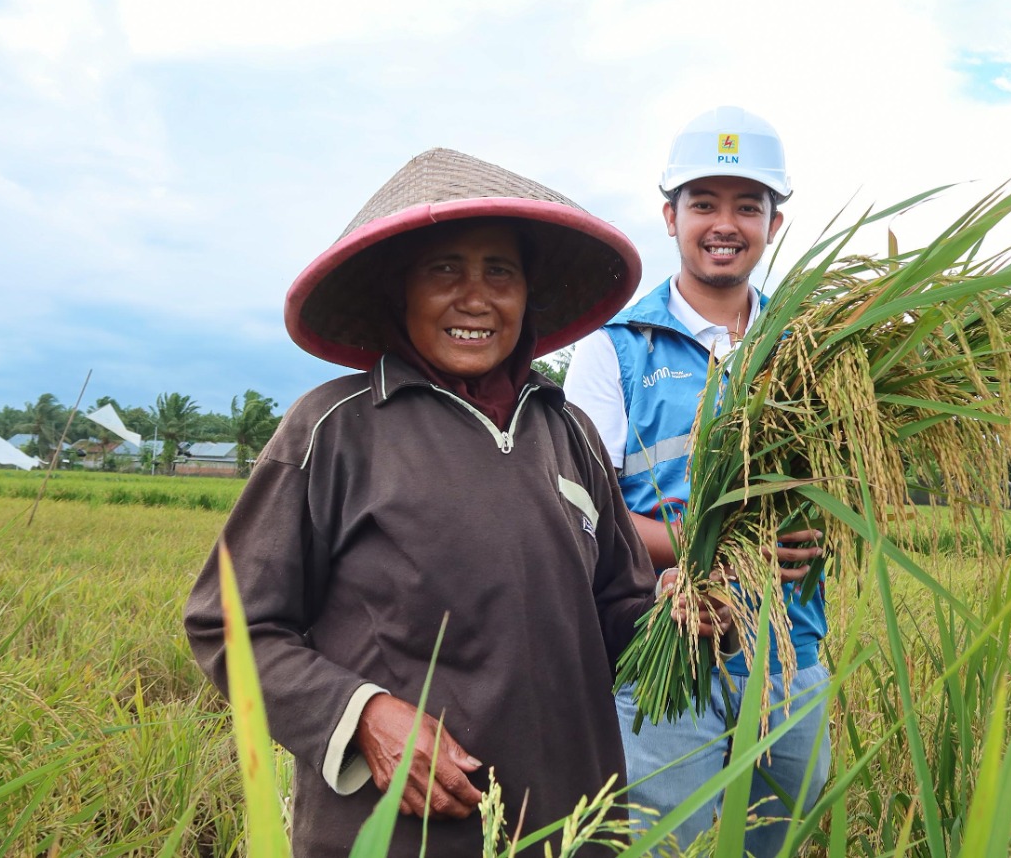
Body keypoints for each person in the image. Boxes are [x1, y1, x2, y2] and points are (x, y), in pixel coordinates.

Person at [185, 148, 716, 857]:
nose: (475, 297)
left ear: (528, 293)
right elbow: (230, 623)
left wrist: (673, 615)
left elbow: (616, 610)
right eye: (444, 270)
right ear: (398, 290)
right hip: (401, 834)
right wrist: (363, 714)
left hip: (574, 825)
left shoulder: (567, 431)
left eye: (500, 271)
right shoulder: (333, 429)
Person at [565, 107, 831, 857]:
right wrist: (704, 544)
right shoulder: (613, 348)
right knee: (659, 846)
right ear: (669, 216)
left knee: (780, 843)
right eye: (704, 204)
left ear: (774, 223)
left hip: (792, 654)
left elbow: (841, 480)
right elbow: (583, 513)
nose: (726, 224)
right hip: (667, 649)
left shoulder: (808, 345)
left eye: (748, 206)